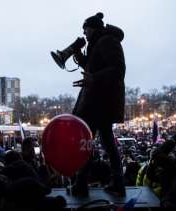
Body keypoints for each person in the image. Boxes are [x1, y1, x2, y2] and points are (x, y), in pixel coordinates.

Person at [71, 12, 126, 196]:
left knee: (88, 142)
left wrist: (94, 78)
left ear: (92, 28)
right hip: (98, 102)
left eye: (85, 29)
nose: (84, 34)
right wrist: (77, 53)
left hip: (100, 103)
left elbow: (118, 69)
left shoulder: (108, 41)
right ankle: (116, 182)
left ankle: (81, 184)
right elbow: (92, 67)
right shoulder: (98, 43)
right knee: (104, 142)